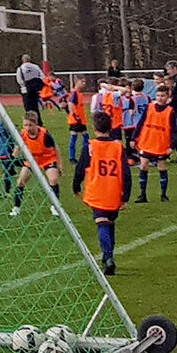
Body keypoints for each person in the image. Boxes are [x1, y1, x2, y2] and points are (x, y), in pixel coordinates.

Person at [73, 112, 131, 276]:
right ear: (111, 128)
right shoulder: (118, 147)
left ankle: (108, 257)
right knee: (109, 224)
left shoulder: (90, 146)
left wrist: (76, 186)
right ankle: (109, 257)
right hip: (114, 192)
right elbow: (126, 174)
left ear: (94, 128)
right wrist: (125, 196)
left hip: (98, 191)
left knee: (102, 223)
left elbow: (80, 168)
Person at [10, 111, 62, 217]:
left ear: (36, 124)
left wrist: (60, 164)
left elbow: (56, 148)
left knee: (53, 179)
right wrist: (14, 154)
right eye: (25, 125)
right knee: (20, 181)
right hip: (32, 160)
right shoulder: (23, 134)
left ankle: (55, 206)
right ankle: (16, 207)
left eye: (30, 125)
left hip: (47, 159)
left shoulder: (45, 134)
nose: (28, 128)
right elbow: (18, 146)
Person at [131, 84, 174, 203]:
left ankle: (163, 195)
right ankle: (142, 194)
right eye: (158, 95)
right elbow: (140, 123)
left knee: (161, 167)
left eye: (163, 96)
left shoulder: (171, 111)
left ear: (168, 96)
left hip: (161, 144)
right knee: (143, 166)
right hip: (146, 142)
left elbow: (175, 131)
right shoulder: (149, 107)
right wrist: (133, 138)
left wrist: (172, 146)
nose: (160, 98)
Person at [16, 54, 44, 125]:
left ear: (23, 60)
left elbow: (19, 80)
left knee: (28, 108)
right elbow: (42, 76)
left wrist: (24, 86)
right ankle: (38, 122)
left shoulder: (20, 69)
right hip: (35, 90)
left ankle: (30, 122)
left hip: (26, 91)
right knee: (35, 107)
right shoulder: (36, 67)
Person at [66, 76, 89, 163]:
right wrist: (75, 115)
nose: (84, 84)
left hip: (80, 120)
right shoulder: (74, 93)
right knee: (75, 137)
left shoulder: (78, 93)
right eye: (82, 82)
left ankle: (84, 155)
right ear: (77, 82)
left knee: (85, 137)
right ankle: (72, 157)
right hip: (76, 120)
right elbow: (70, 103)